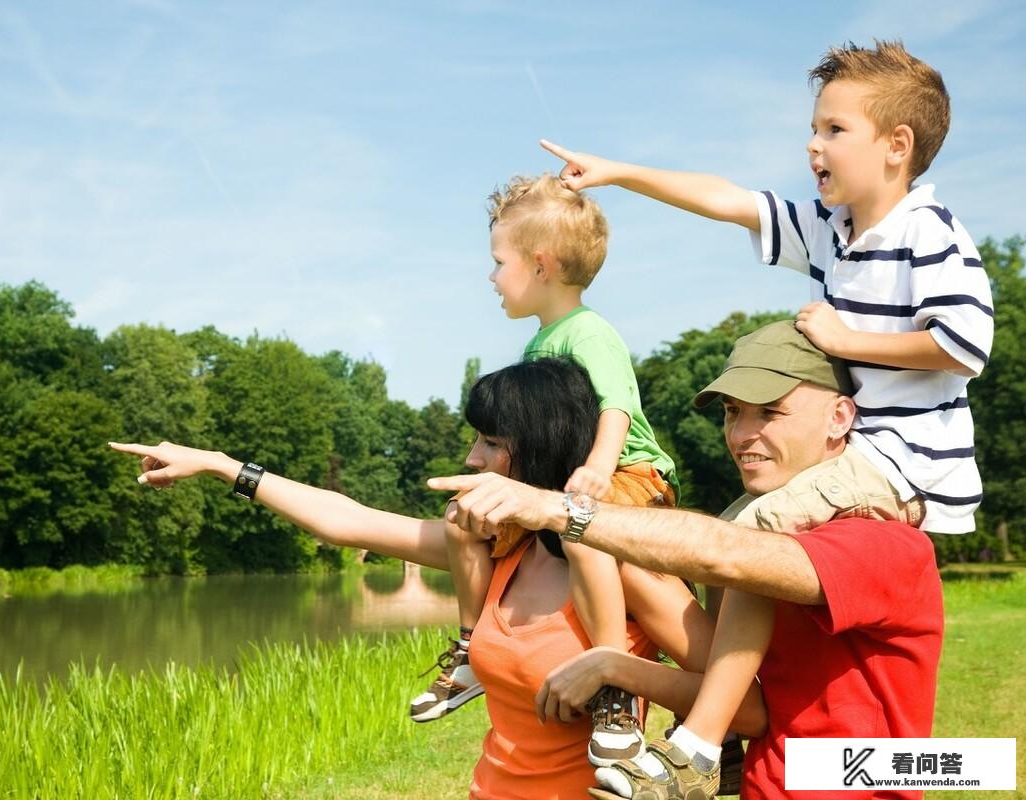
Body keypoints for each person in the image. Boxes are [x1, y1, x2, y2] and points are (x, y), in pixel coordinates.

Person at [536, 38, 992, 786]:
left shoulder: (927, 233)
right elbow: (729, 199)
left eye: (835, 130)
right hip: (856, 450)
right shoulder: (834, 229)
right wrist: (619, 173)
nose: (813, 145)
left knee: (745, 537)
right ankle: (727, 704)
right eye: (813, 128)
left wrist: (849, 339)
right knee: (735, 524)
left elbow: (965, 340)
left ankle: (703, 738)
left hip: (900, 460)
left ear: (896, 146)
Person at [109, 358, 750, 800]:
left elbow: (744, 708)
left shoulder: (624, 566)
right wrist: (223, 467)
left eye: (491, 442)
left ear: (544, 446)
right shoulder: (497, 551)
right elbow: (349, 522)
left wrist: (617, 669)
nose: (472, 458)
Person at [431, 322, 945, 800]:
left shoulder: (882, 545)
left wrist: (554, 507)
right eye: (732, 413)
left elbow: (725, 555)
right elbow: (756, 703)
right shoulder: (757, 533)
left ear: (840, 418)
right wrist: (621, 667)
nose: (742, 436)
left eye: (769, 412)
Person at [417, 174, 680, 772]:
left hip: (628, 473)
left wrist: (594, 471)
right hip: (560, 479)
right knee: (461, 519)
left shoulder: (589, 333)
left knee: (580, 533)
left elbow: (614, 408)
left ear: (539, 265)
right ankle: (469, 647)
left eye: (497, 261)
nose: (490, 276)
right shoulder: (540, 345)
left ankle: (614, 686)